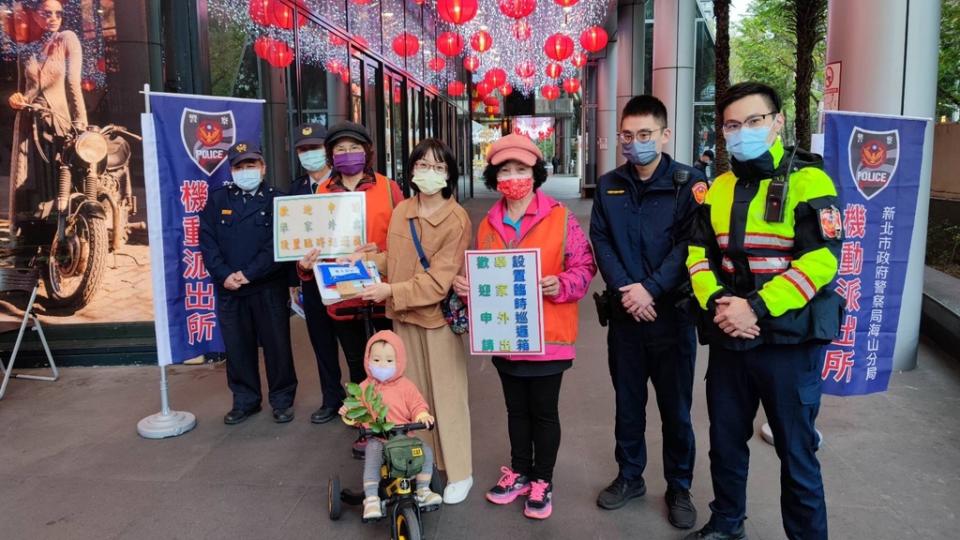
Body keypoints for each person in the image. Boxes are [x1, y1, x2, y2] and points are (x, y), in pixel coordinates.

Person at [683, 82, 841, 540]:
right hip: (730, 335)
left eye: (754, 122)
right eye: (733, 125)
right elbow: (698, 255)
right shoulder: (717, 189)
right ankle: (727, 525)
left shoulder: (812, 181)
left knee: (797, 451)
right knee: (726, 443)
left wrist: (755, 307)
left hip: (789, 342)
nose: (742, 132)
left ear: (777, 123)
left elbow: (821, 261)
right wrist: (718, 303)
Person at [453, 134, 596, 520]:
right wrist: (466, 286)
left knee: (544, 411)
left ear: (535, 173)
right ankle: (517, 471)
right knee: (515, 410)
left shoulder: (561, 217)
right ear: (494, 176)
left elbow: (584, 268)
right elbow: (484, 280)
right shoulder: (488, 224)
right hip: (506, 336)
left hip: (548, 337)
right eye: (505, 170)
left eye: (520, 169)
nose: (513, 176)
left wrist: (560, 284)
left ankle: (542, 480)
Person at [589, 95, 707, 530]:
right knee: (628, 402)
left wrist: (651, 289)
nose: (635, 143)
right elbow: (601, 241)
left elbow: (689, 246)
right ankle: (630, 476)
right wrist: (627, 291)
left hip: (672, 317)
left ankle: (679, 485)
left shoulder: (689, 184)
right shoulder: (609, 185)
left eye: (645, 135)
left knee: (676, 407)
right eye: (628, 135)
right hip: (625, 317)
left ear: (664, 135)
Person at [348, 138, 474, 505]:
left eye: (438, 167)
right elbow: (398, 260)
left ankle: (461, 471)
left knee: (447, 397)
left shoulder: (456, 218)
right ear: (412, 169)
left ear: (449, 173)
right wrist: (372, 260)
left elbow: (438, 281)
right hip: (403, 318)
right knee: (410, 401)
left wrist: (389, 291)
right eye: (423, 165)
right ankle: (422, 466)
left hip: (435, 321)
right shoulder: (403, 209)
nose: (429, 173)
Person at [296, 121, 403, 424]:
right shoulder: (321, 192)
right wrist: (304, 266)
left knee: (389, 354)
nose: (348, 154)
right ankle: (364, 416)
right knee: (356, 359)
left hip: (381, 291)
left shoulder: (388, 187)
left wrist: (381, 256)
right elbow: (310, 243)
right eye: (340, 149)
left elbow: (406, 240)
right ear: (331, 156)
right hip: (341, 294)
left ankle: (394, 414)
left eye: (354, 147)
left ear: (367, 151)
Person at [199, 141, 297, 424]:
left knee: (277, 346)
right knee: (237, 347)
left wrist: (249, 274)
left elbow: (278, 245)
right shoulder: (218, 199)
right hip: (230, 288)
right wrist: (224, 275)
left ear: (263, 168)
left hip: (267, 287)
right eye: (239, 166)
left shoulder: (277, 198)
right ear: (231, 170)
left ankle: (282, 400)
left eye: (251, 165)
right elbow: (207, 242)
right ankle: (245, 400)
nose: (246, 171)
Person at [339, 330, 443, 520]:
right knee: (372, 456)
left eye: (389, 361)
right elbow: (356, 409)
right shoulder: (364, 387)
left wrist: (422, 415)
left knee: (425, 452)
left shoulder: (406, 386)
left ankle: (422, 490)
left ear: (399, 362)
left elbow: (417, 404)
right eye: (376, 360)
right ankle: (371, 498)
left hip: (405, 438)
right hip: (378, 438)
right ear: (368, 359)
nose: (382, 365)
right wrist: (348, 412)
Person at [8, 0, 87, 228]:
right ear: (34, 16)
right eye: (47, 13)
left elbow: (73, 84)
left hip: (59, 122)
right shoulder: (26, 51)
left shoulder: (68, 39)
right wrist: (15, 100)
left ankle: (63, 228)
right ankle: (36, 231)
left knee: (60, 176)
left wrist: (80, 124)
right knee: (34, 180)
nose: (54, 17)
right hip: (30, 121)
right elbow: (23, 91)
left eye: (58, 13)